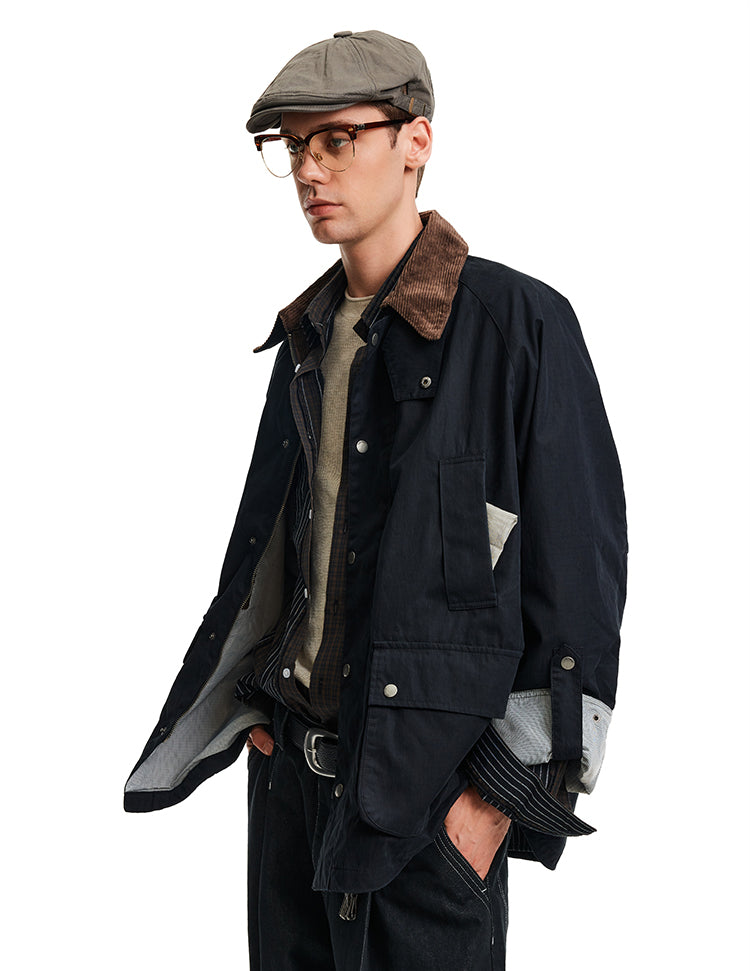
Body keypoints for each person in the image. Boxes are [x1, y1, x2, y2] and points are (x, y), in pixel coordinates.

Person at [124, 29, 628, 970]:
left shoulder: (520, 328)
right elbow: (282, 558)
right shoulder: (307, 339)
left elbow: (579, 590)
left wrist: (493, 804)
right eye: (293, 147)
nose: (310, 169)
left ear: (415, 141)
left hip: (430, 813)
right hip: (291, 799)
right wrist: (257, 711)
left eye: (337, 139)